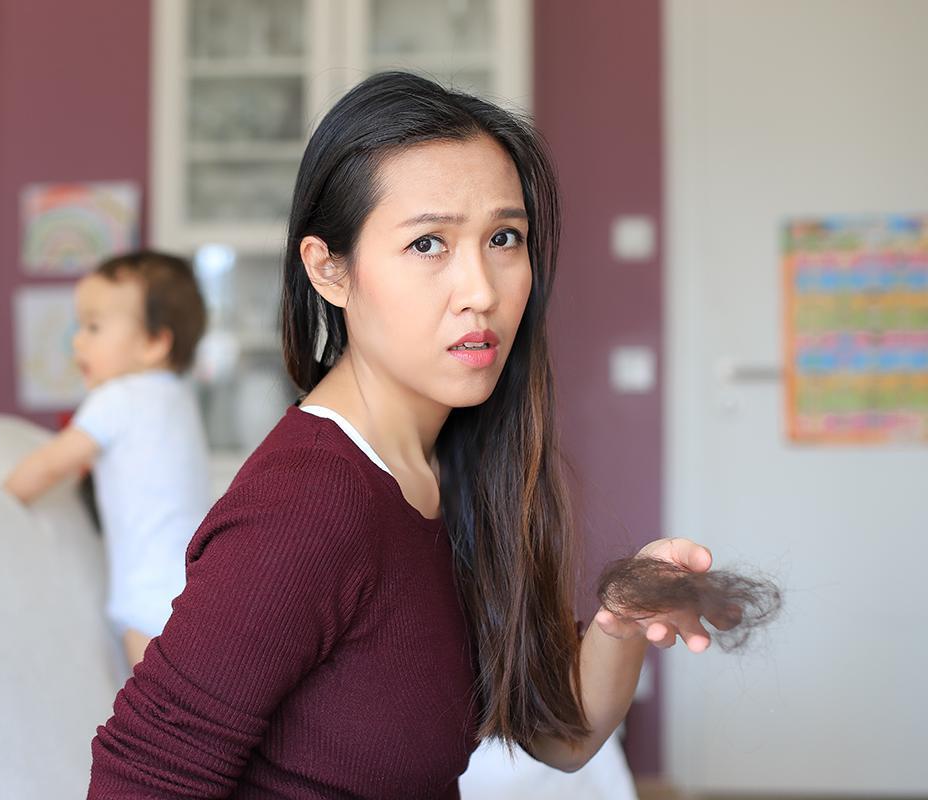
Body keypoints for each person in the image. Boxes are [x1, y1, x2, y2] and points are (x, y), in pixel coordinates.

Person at [87, 72, 727, 798]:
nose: (481, 289)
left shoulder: (455, 464)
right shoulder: (309, 505)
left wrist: (620, 619)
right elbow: (139, 777)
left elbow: (564, 736)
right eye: (428, 244)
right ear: (329, 270)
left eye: (504, 238)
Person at [4, 251, 210, 673]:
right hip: (195, 586)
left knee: (154, 709)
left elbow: (50, 464)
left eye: (93, 327)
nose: (78, 340)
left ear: (153, 343)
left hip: (150, 596)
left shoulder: (117, 398)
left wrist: (0, 497)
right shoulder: (177, 398)